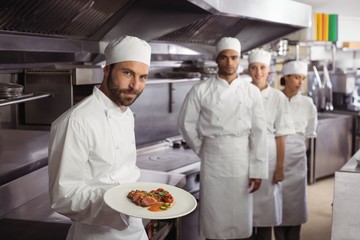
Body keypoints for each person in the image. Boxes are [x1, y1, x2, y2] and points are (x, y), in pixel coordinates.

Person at [48, 35, 151, 240]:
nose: (135, 85)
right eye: (127, 73)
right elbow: (63, 197)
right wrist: (121, 203)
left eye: (142, 77)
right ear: (107, 70)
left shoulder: (126, 112)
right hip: (97, 234)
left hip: (136, 230)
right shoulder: (76, 122)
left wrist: (138, 201)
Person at [177, 37, 268, 240]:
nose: (229, 62)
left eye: (233, 57)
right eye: (224, 57)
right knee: (214, 218)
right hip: (213, 158)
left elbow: (260, 132)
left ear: (239, 60)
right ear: (216, 60)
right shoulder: (201, 90)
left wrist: (258, 169)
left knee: (240, 217)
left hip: (241, 159)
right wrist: (203, 147)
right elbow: (185, 123)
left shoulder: (251, 91)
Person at [247, 49, 295, 240]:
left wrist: (280, 167)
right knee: (246, 212)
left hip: (269, 156)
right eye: (254, 67)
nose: (258, 72)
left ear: (269, 70)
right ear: (248, 69)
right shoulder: (242, 92)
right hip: (245, 154)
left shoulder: (277, 97)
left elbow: (282, 135)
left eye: (262, 68)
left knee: (266, 211)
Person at [273, 60, 318, 240]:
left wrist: (297, 150)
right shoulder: (275, 99)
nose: (300, 82)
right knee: (277, 204)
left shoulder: (308, 103)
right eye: (297, 77)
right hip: (276, 158)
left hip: (298, 160)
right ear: (286, 77)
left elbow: (309, 133)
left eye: (303, 78)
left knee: (296, 205)